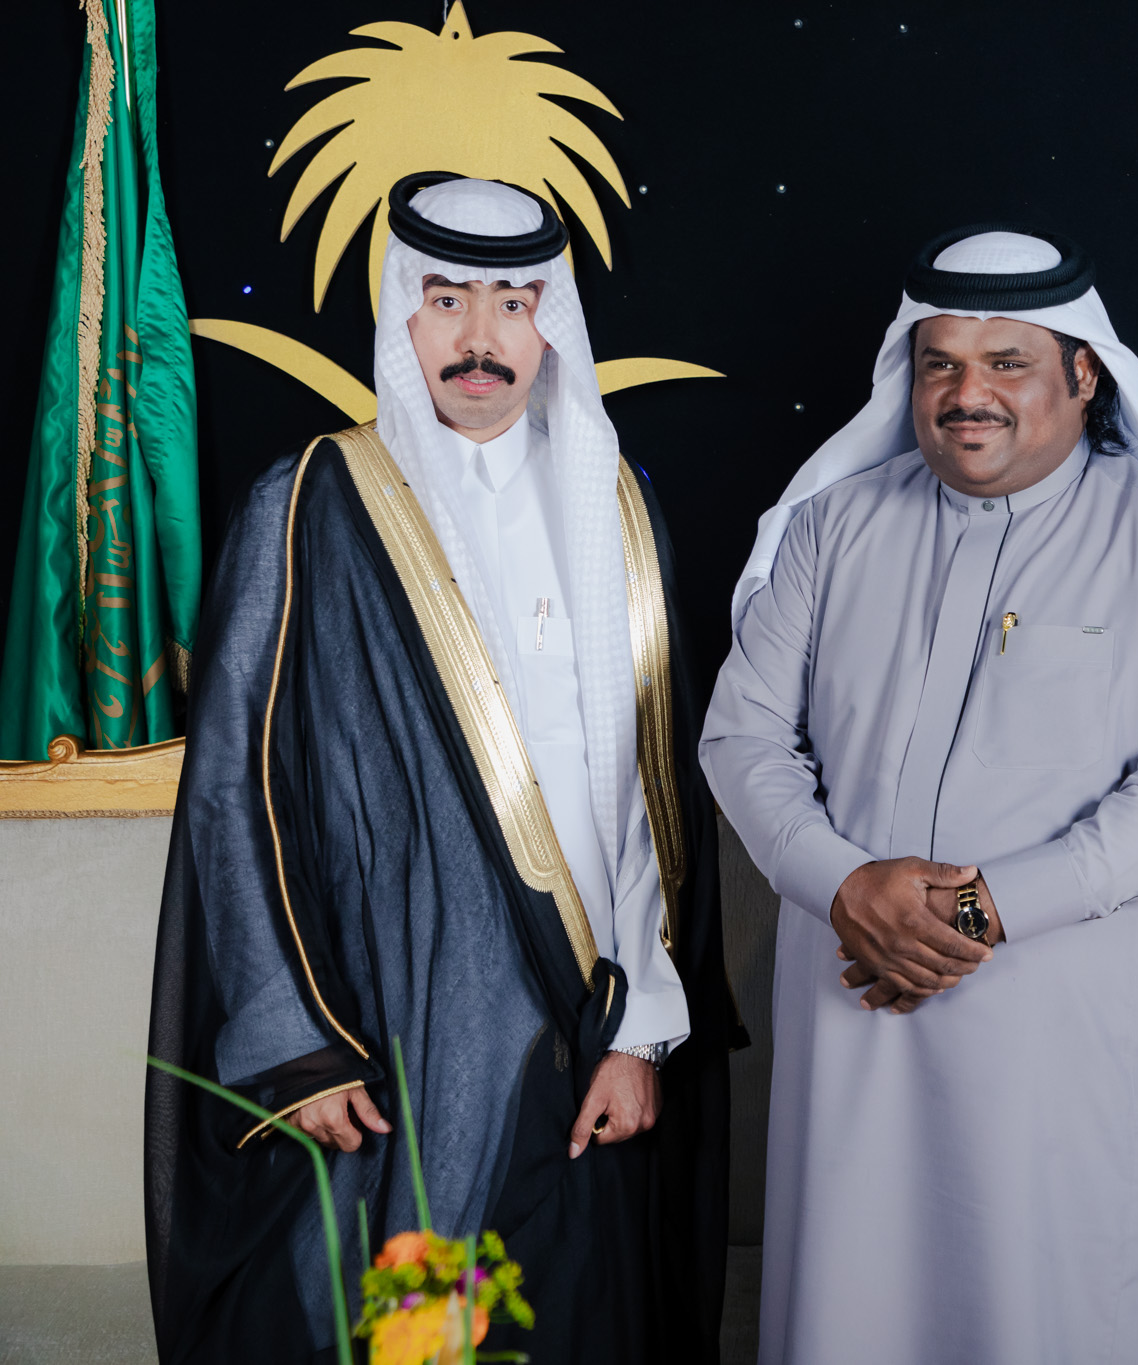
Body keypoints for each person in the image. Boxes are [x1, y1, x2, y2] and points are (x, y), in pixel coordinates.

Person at [145, 174, 735, 1364]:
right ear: (400, 316)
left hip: (587, 1023)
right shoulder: (309, 502)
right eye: (447, 300)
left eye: (513, 304)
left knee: (571, 1320)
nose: (480, 339)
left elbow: (648, 800)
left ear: (549, 324)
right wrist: (294, 1043)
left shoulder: (615, 504)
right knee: (400, 1319)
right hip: (390, 1024)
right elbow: (232, 797)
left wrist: (641, 1035)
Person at [701, 226, 1138, 1364]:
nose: (969, 395)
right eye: (941, 365)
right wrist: (843, 883)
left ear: (1084, 374)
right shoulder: (830, 530)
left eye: (1007, 362)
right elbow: (741, 736)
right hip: (856, 1006)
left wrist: (975, 911)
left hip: (1073, 1044)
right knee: (855, 1309)